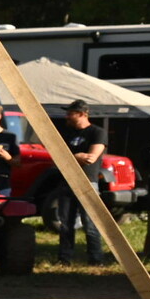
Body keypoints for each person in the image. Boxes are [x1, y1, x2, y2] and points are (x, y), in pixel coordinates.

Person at [58, 101, 109, 262]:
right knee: (66, 223)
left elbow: (91, 158)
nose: (67, 116)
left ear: (82, 114)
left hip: (88, 182)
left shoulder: (97, 132)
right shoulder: (65, 133)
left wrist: (70, 157)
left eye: (70, 113)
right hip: (66, 182)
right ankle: (64, 258)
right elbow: (56, 158)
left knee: (90, 222)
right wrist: (77, 156)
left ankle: (95, 258)